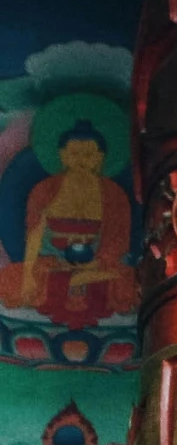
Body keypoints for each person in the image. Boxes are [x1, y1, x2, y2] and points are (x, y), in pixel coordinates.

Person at [0, 121, 137, 323]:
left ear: (101, 158)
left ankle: (79, 283)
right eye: (74, 154)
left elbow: (118, 241)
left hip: (97, 266)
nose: (81, 161)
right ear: (62, 155)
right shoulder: (44, 190)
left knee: (130, 285)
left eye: (88, 155)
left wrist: (93, 266)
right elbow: (35, 235)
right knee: (11, 281)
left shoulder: (113, 194)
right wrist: (29, 273)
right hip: (52, 263)